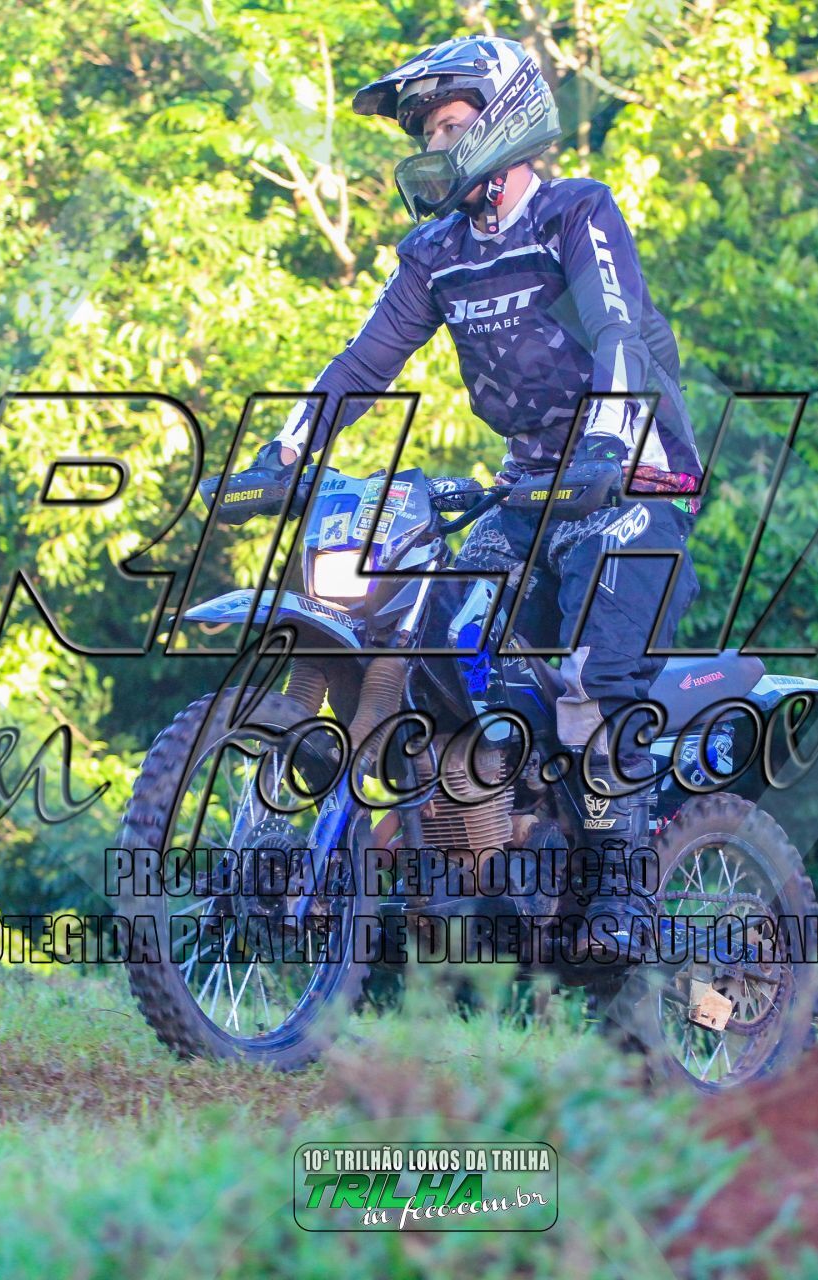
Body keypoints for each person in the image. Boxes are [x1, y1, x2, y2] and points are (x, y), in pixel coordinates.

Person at [222, 36, 703, 955]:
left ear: (507, 117)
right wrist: (285, 452)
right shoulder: (436, 251)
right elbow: (364, 363)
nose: (436, 144)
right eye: (429, 131)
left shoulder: (573, 213)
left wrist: (609, 438)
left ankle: (623, 895)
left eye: (451, 124)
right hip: (525, 495)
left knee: (597, 684)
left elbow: (616, 330)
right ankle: (453, 864)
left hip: (633, 480)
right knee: (432, 652)